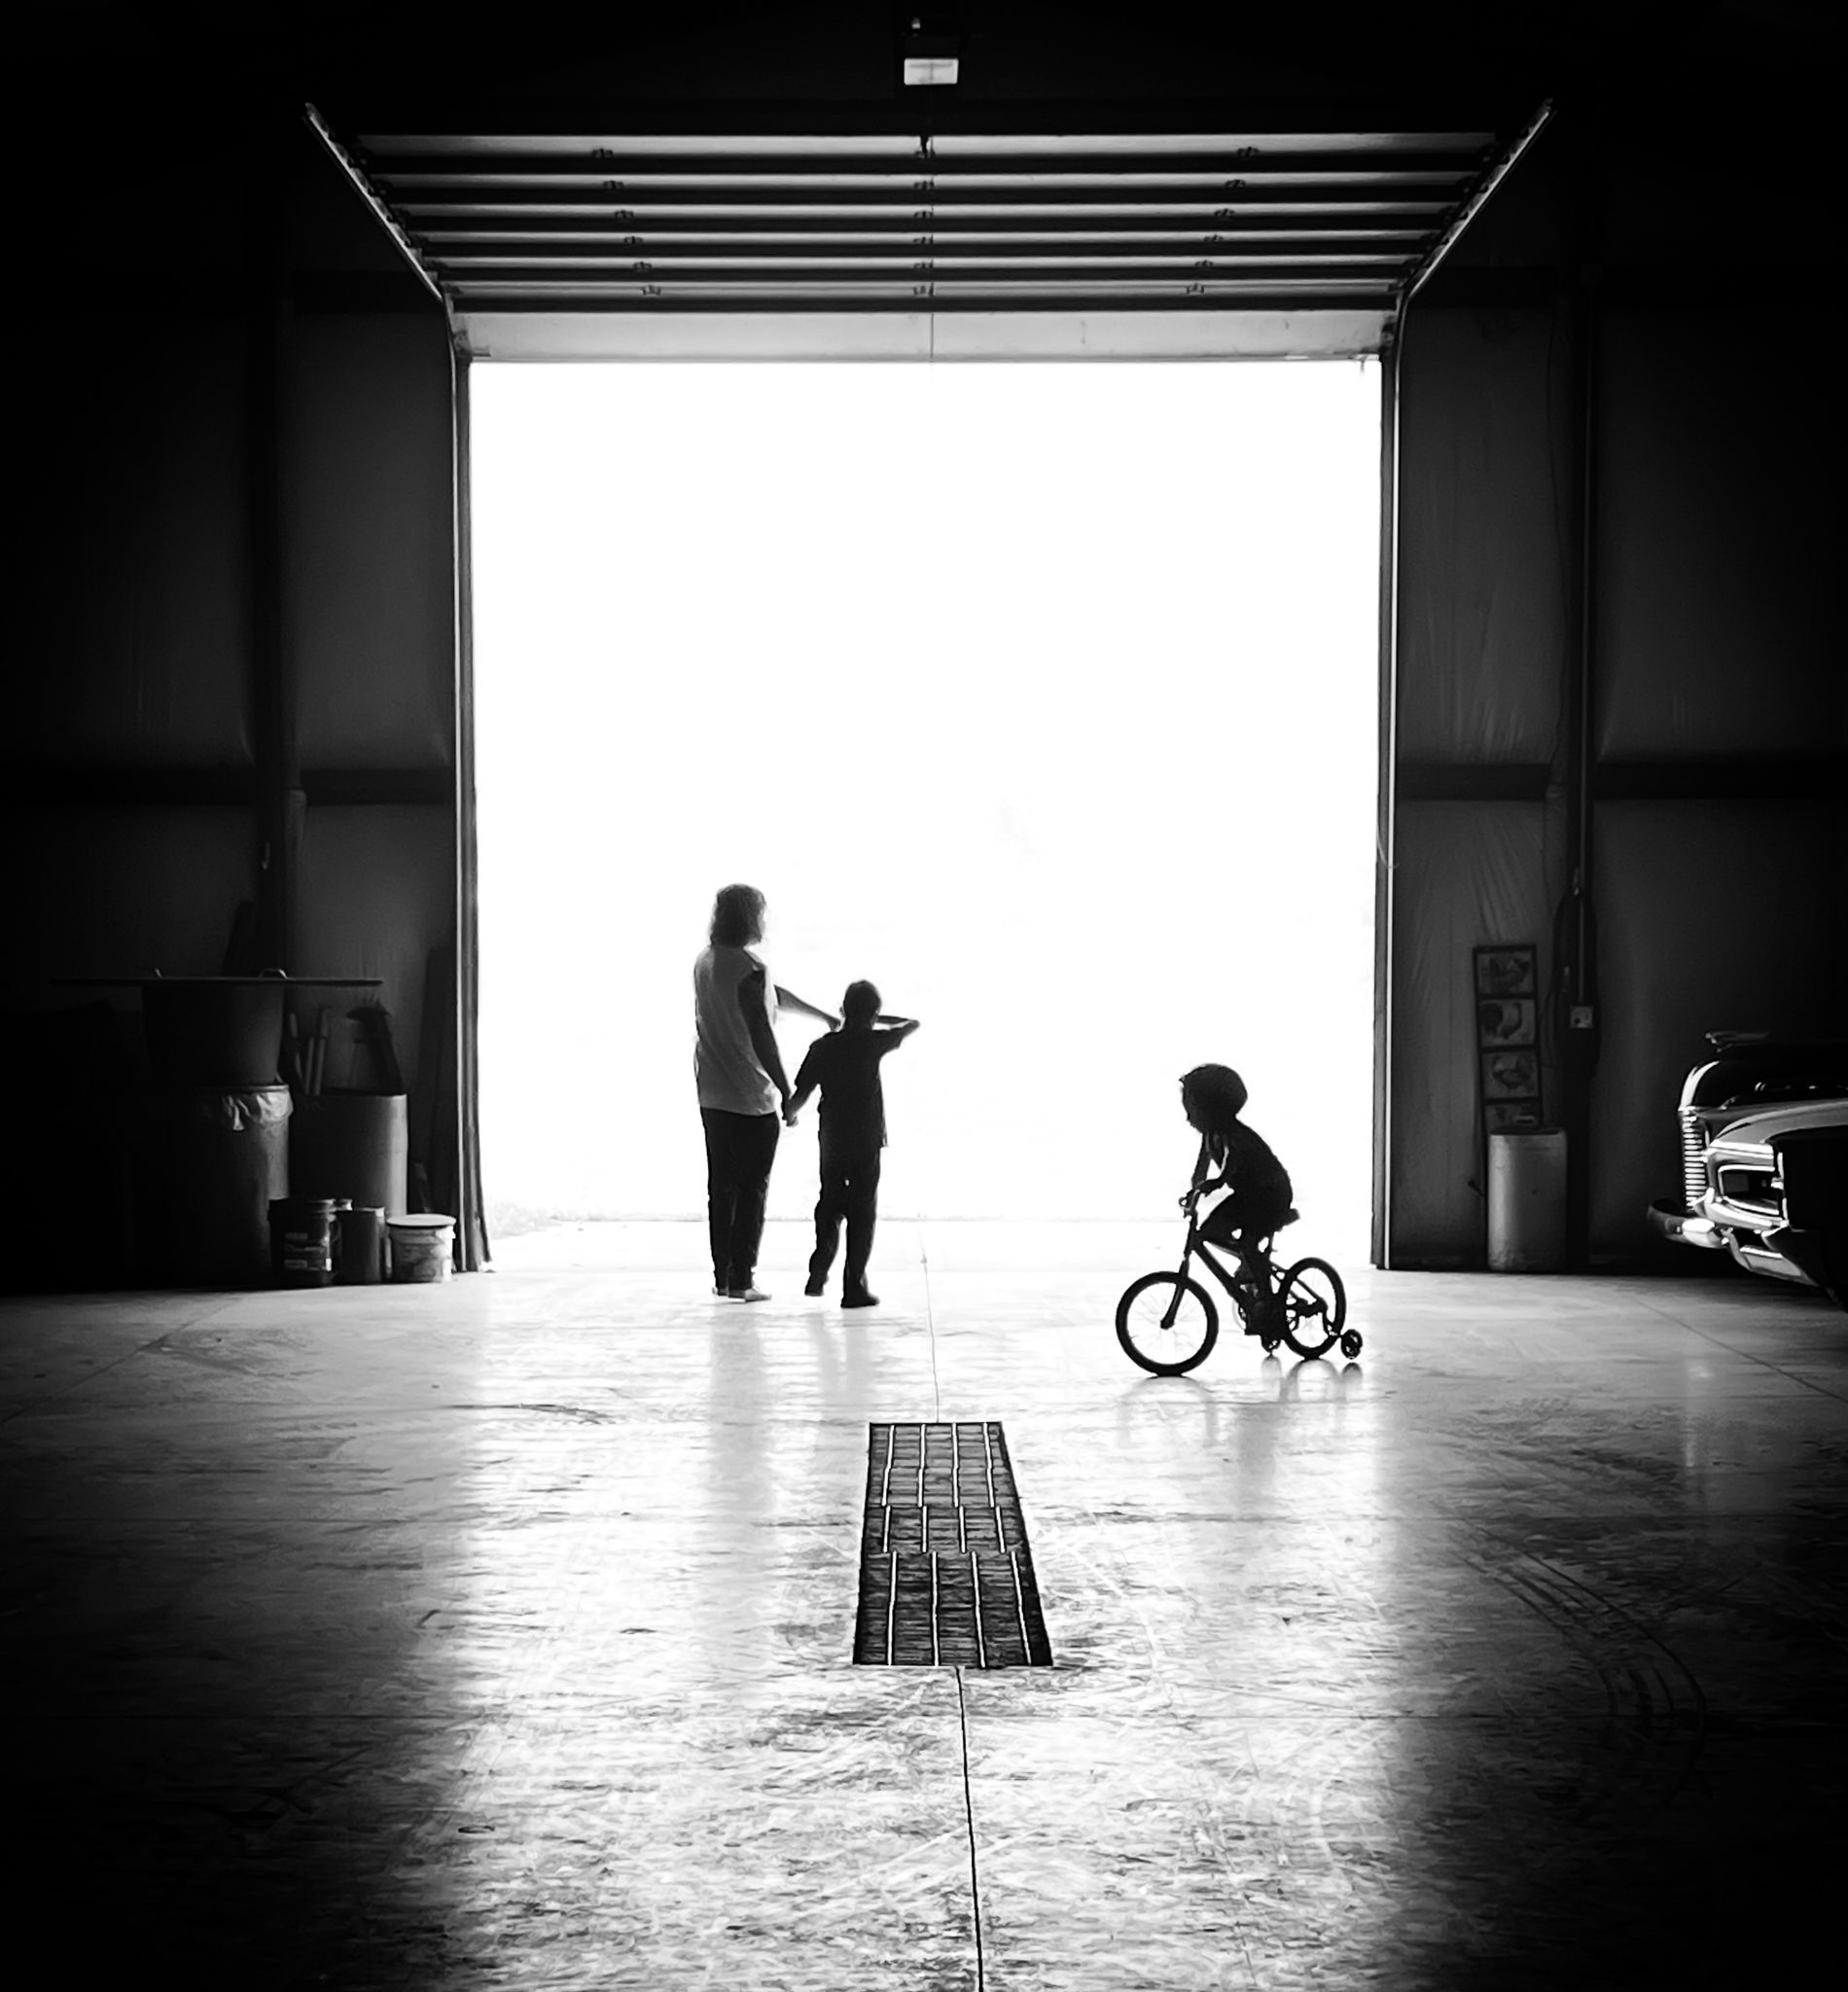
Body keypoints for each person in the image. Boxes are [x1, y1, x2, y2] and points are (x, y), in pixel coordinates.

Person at [693, 884, 838, 1302]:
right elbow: (761, 1030)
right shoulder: (749, 966)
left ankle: (724, 1276)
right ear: (749, 917)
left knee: (720, 1187)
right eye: (762, 912)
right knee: (752, 1187)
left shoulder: (708, 961)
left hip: (711, 1090)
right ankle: (743, 1279)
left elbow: (772, 995)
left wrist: (821, 1015)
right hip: (750, 1096)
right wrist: (786, 1087)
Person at [784, 980, 919, 1309]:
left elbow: (800, 1095)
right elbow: (911, 1025)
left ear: (843, 1009)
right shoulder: (874, 1042)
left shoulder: (822, 1047)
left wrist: (789, 1114)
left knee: (829, 1201)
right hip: (866, 1141)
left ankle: (819, 1269)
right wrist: (873, 1020)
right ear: (873, 1013)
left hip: (832, 1138)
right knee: (862, 1213)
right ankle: (853, 1288)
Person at [1179, 1064, 1295, 1293]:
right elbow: (1200, 1170)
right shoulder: (1210, 1135)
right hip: (1247, 1196)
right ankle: (1251, 1264)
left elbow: (1234, 1156)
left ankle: (1266, 1298)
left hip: (1270, 1195)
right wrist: (1194, 1192)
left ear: (1212, 1108)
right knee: (1209, 1232)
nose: (1188, 1118)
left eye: (1193, 1109)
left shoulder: (1234, 1133)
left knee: (1248, 1243)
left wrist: (1220, 1180)